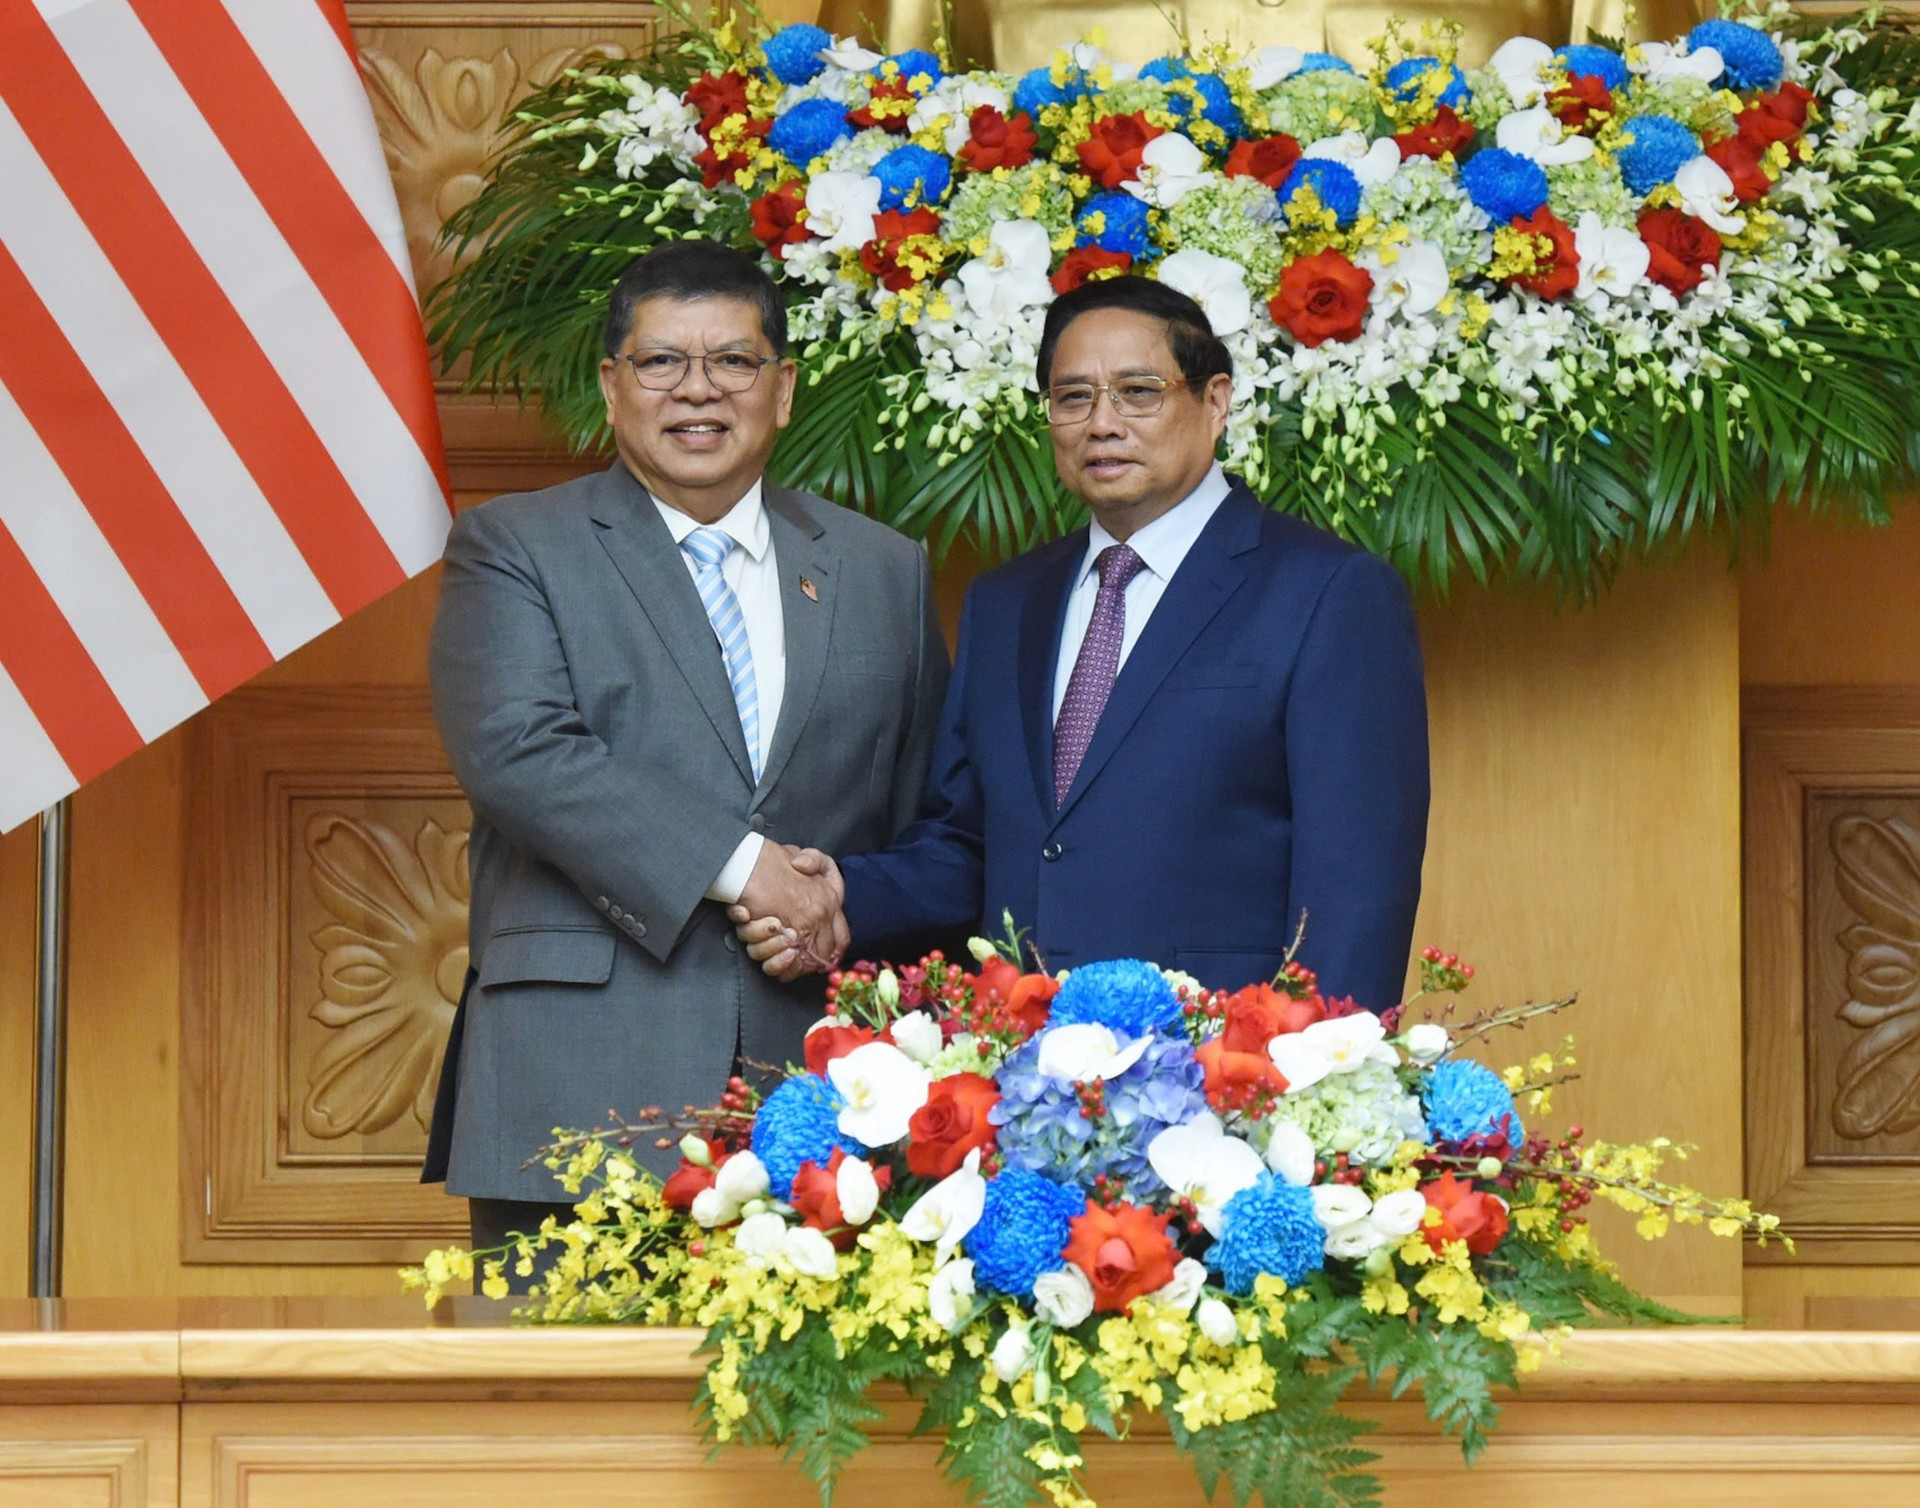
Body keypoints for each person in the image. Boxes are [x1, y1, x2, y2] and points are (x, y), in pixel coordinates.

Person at [424, 241, 948, 1265]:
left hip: (825, 1100)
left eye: (733, 362)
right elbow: (520, 750)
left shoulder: (885, 568)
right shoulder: (515, 546)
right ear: (613, 386)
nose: (697, 389)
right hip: (578, 1088)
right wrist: (748, 865)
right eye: (662, 362)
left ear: (784, 388)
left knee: (800, 1425)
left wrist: (842, 904)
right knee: (560, 1420)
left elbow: (924, 809)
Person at [735, 276, 1428, 1010]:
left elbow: (1358, 887)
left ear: (1215, 401)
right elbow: (972, 842)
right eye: (1073, 398)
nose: (1103, 422)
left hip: (1221, 1069)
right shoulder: (1007, 603)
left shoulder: (1329, 592)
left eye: (1138, 391)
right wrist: (843, 893)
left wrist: (1315, 1071)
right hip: (1018, 1060)